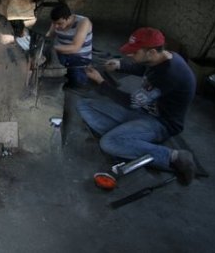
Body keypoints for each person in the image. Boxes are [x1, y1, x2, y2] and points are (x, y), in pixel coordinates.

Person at [76, 27, 197, 185]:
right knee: (84, 105)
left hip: (161, 123)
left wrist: (101, 83)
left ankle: (173, 156)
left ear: (152, 52)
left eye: (134, 52)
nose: (130, 55)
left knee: (108, 143)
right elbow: (145, 68)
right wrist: (120, 65)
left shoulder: (170, 73)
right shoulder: (163, 57)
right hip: (143, 111)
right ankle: (128, 140)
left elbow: (132, 102)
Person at [46, 3, 93, 87]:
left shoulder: (83, 22)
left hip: (80, 57)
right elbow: (49, 36)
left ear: (69, 18)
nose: (56, 26)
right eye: (54, 23)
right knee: (48, 70)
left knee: (78, 81)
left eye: (60, 23)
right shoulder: (56, 21)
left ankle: (83, 72)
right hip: (61, 53)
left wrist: (51, 48)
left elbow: (75, 48)